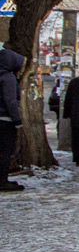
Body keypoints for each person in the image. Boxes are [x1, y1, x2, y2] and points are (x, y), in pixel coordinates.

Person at [0, 47, 24, 192]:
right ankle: (2, 180)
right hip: (5, 120)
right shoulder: (8, 77)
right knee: (5, 151)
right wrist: (17, 121)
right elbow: (10, 101)